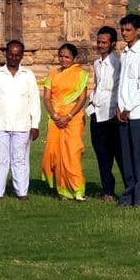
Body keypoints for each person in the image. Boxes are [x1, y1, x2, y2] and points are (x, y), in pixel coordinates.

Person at [0, 40, 41, 199]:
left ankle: (22, 192)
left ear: (22, 56)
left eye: (17, 55)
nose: (14, 57)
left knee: (20, 160)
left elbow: (34, 101)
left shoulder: (28, 75)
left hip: (22, 125)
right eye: (11, 54)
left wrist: (35, 124)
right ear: (6, 54)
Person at [41, 42, 90, 201]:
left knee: (72, 153)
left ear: (74, 58)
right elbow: (47, 97)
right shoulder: (53, 74)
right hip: (56, 118)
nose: (63, 59)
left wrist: (68, 116)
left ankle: (77, 190)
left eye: (67, 57)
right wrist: (55, 115)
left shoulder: (80, 74)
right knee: (57, 153)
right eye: (61, 56)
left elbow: (82, 98)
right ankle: (63, 191)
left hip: (73, 118)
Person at [116, 13, 140, 207]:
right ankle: (129, 195)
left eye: (128, 30)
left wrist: (129, 107)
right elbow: (122, 84)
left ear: (138, 31)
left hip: (138, 113)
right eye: (123, 30)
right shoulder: (124, 53)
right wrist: (119, 106)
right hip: (123, 112)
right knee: (127, 156)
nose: (124, 33)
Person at [86, 26, 124, 202]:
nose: (100, 45)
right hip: (98, 114)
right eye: (98, 42)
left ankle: (130, 189)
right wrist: (92, 103)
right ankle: (108, 191)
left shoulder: (118, 62)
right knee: (102, 156)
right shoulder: (96, 63)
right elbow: (97, 85)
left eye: (104, 42)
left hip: (114, 115)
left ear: (112, 44)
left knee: (121, 155)